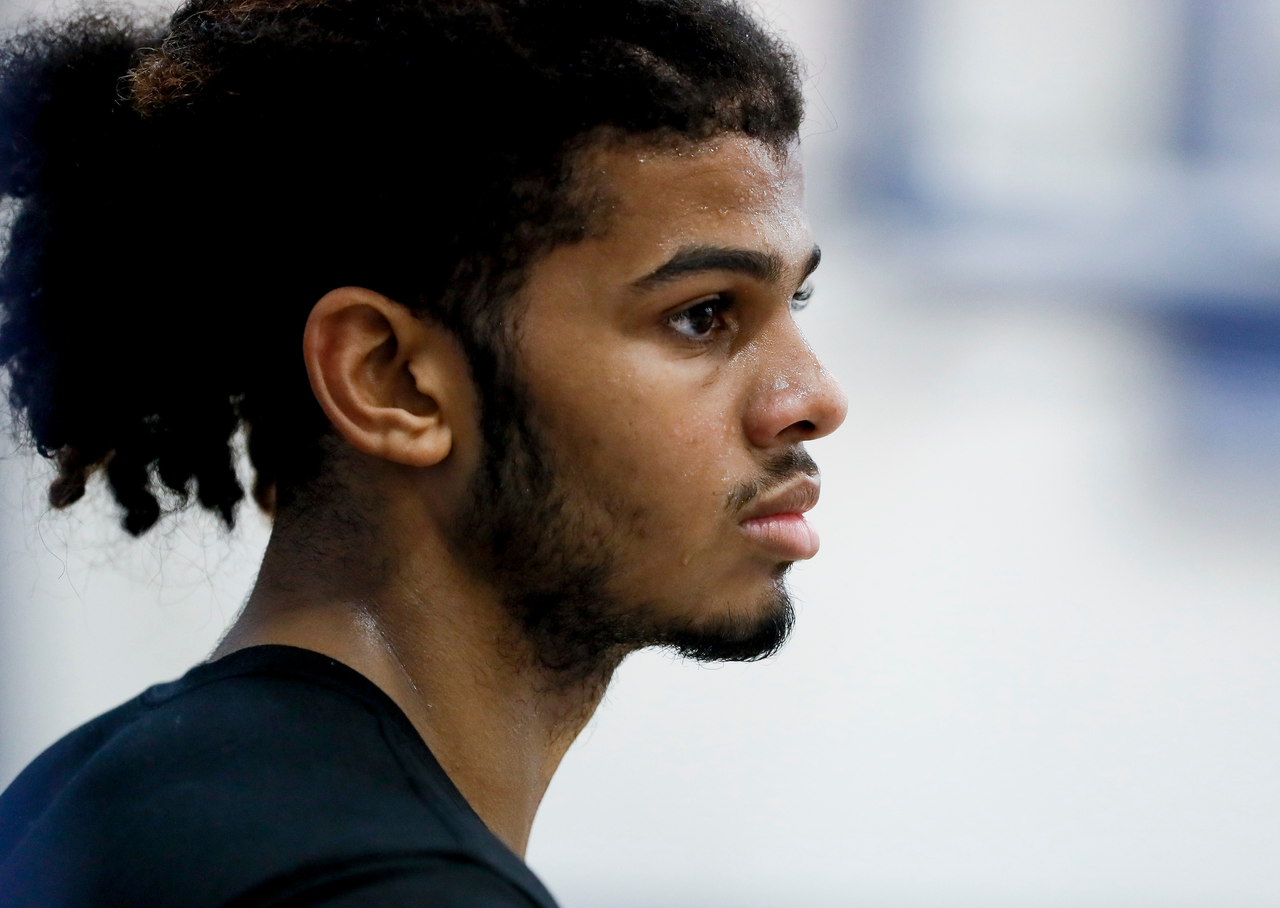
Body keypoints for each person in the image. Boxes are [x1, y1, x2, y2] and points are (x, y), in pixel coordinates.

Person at [0, 0, 847, 904]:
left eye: (793, 305)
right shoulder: (389, 888)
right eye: (701, 315)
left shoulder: (72, 799)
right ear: (391, 380)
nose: (815, 402)